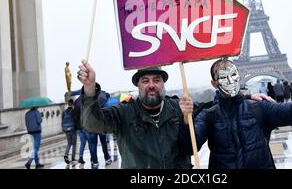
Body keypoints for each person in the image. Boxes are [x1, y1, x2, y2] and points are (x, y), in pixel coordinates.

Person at [78, 61, 272, 169]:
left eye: (157, 80)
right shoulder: (124, 112)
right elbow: (92, 123)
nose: (151, 85)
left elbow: (212, 106)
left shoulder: (177, 108)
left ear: (163, 84)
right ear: (138, 86)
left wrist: (246, 97)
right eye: (145, 80)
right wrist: (89, 88)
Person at [179, 47, 292, 169]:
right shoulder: (208, 116)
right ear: (214, 83)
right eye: (224, 77)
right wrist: (186, 120)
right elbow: (189, 148)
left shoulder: (259, 108)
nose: (230, 81)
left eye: (233, 75)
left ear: (239, 76)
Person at [62, 99, 77, 165]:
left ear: (68, 104)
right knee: (74, 144)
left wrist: (64, 129)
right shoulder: (73, 111)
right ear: (73, 104)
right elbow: (75, 119)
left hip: (66, 130)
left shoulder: (64, 112)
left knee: (69, 143)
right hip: (73, 129)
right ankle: (73, 158)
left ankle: (66, 155)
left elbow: (62, 121)